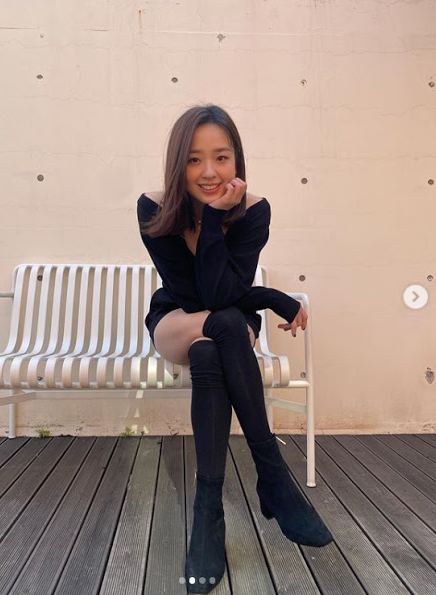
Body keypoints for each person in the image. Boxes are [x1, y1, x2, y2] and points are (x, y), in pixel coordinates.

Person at [137, 104, 332, 594]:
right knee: (216, 325)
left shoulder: (256, 210)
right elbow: (195, 297)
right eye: (194, 159)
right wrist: (269, 295)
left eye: (221, 158)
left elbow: (225, 294)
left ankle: (207, 516)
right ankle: (273, 475)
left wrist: (219, 220)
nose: (209, 172)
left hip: (228, 323)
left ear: (237, 160)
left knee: (214, 346)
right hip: (177, 319)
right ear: (178, 163)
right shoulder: (154, 208)